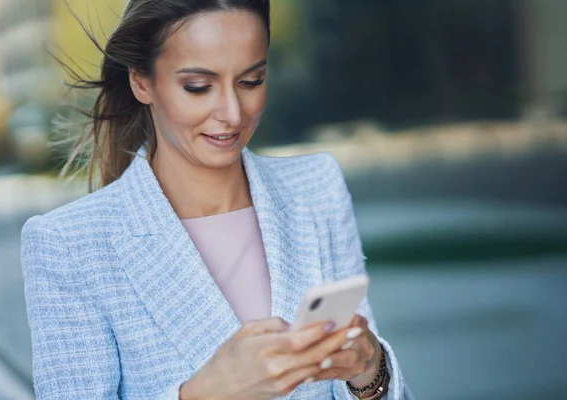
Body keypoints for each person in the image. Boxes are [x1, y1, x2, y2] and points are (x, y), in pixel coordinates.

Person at [21, 1, 409, 399]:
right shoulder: (68, 244)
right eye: (198, 87)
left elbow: (372, 380)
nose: (232, 113)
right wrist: (204, 393)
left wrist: (369, 370)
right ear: (141, 82)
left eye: (251, 81)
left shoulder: (316, 188)